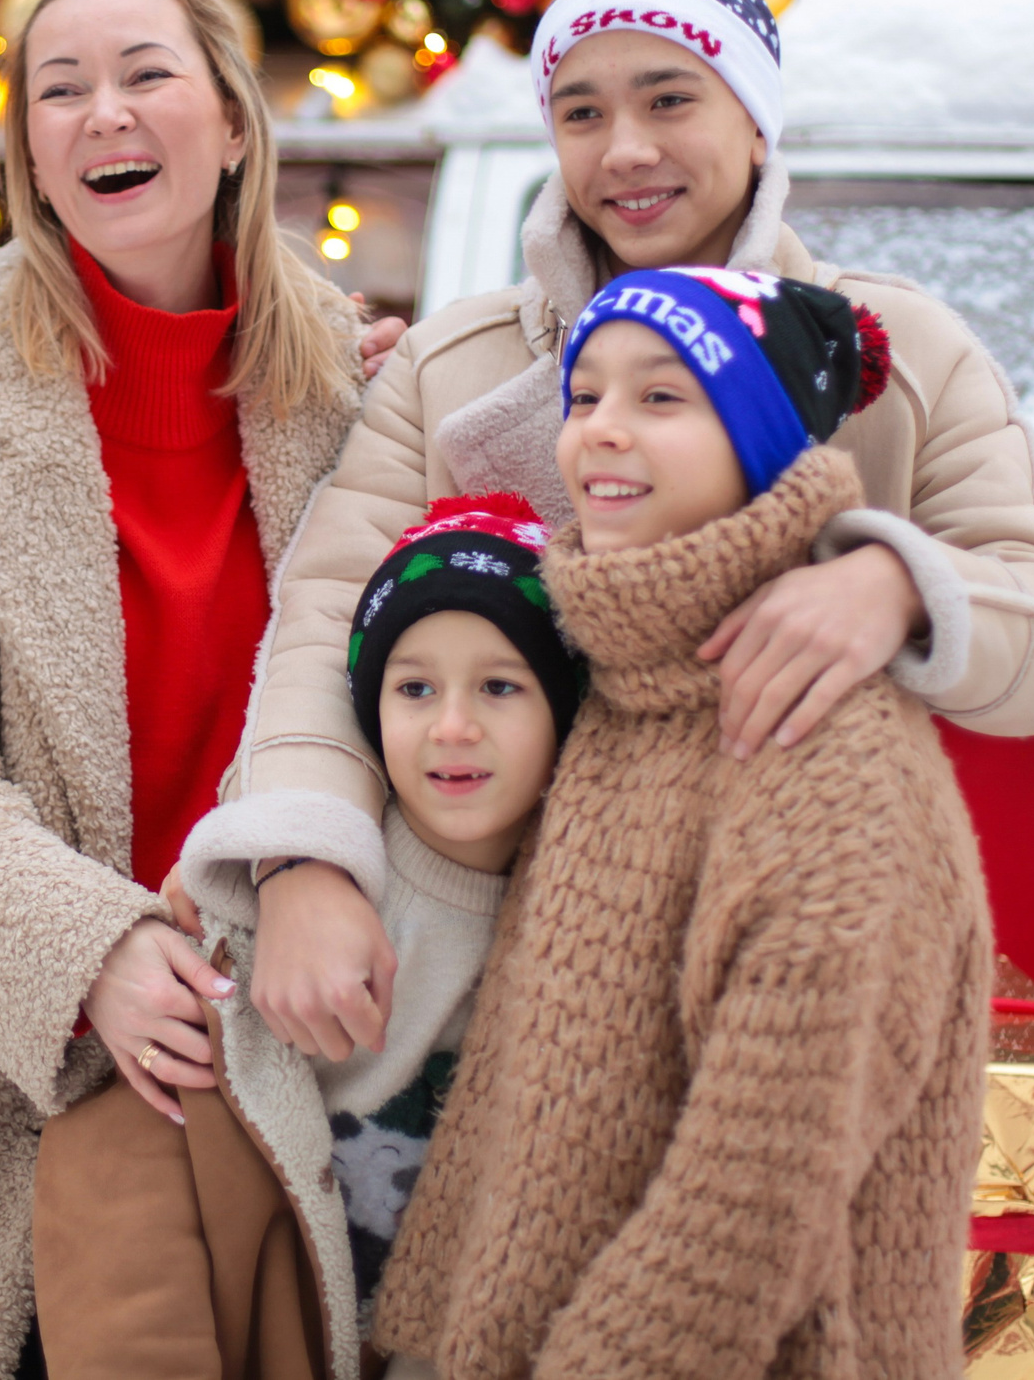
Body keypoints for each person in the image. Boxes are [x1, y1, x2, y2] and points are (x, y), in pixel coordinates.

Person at [216, 0, 1034, 1071]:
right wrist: (303, 859)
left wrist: (893, 585)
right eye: (580, 114)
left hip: (779, 986)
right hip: (479, 991)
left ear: (754, 118)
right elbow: (325, 616)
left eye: (669, 98)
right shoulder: (452, 368)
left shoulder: (903, 351)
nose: (624, 151)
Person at [0, 0, 375, 1380]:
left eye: (147, 74)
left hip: (280, 1067)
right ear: (30, 157)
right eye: (62, 89)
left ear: (233, 122)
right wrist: (86, 946)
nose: (104, 113)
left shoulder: (362, 393)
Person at [375, 265, 994, 1379]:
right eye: (584, 398)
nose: (600, 433)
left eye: (661, 398)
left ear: (758, 443)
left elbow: (748, 1210)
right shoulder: (625, 689)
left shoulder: (826, 754)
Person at [32, 495, 581, 1380]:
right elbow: (126, 1160)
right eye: (415, 687)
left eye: (500, 685)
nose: (452, 725)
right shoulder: (282, 890)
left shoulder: (591, 916)